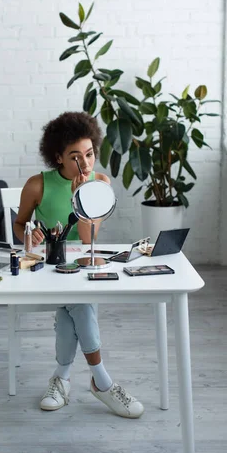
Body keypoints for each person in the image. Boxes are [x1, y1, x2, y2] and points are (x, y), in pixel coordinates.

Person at [14, 112, 144, 418]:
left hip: (83, 264)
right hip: (50, 267)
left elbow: (88, 240)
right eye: (75, 157)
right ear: (57, 157)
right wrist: (30, 236)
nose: (85, 164)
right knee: (82, 304)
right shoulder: (36, 185)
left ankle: (62, 378)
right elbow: (19, 225)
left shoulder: (100, 182)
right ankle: (102, 382)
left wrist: (81, 197)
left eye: (89, 154)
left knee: (74, 306)